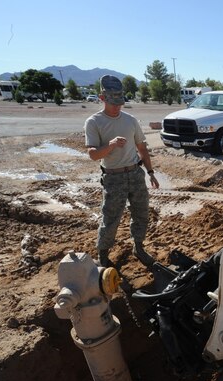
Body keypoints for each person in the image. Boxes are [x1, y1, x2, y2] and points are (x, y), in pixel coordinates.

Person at [85, 75, 160, 269]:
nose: (117, 107)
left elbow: (142, 148)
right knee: (111, 218)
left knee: (141, 213)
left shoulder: (130, 120)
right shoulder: (94, 122)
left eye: (120, 102)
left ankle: (138, 246)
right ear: (102, 98)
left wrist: (150, 172)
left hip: (135, 174)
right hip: (113, 177)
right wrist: (110, 146)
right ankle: (103, 254)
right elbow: (93, 155)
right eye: (113, 102)